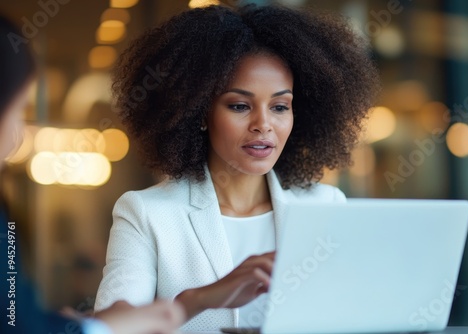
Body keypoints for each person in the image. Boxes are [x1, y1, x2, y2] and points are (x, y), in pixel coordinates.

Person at [95, 3, 379, 331]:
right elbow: (110, 329)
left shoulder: (326, 207)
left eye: (279, 106)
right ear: (199, 112)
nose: (264, 124)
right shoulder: (146, 214)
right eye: (240, 106)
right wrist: (199, 299)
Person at [0, 15, 184, 334]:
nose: (18, 135)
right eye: (18, 111)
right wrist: (100, 327)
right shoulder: (141, 210)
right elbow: (17, 325)